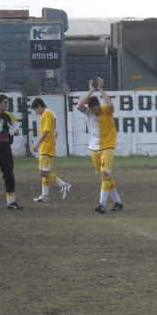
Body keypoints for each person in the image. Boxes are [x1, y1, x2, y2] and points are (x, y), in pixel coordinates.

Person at [76, 77, 123, 213]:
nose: (95, 111)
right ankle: (118, 202)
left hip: (107, 146)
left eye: (96, 109)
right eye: (93, 109)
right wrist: (90, 91)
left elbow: (110, 105)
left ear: (99, 106)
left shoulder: (105, 110)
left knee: (104, 174)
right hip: (94, 148)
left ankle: (101, 204)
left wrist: (101, 90)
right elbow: (79, 106)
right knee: (105, 176)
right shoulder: (89, 112)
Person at [31, 97, 72, 202]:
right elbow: (56, 131)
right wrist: (53, 142)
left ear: (40, 106)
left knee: (42, 172)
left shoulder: (46, 114)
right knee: (46, 171)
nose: (36, 112)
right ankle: (45, 195)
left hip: (46, 147)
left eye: (36, 109)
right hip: (49, 146)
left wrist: (38, 143)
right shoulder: (52, 114)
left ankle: (64, 185)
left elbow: (46, 130)